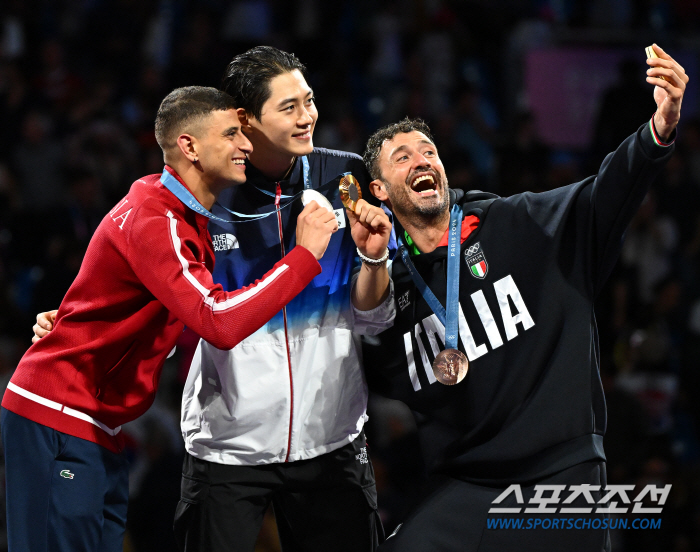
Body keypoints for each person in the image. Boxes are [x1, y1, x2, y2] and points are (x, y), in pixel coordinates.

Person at [33, 47, 395, 552]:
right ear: (245, 119)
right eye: (288, 107)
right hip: (226, 449)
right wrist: (77, 320)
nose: (308, 116)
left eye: (309, 101)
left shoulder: (347, 177)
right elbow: (148, 276)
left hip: (331, 440)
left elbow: (373, 319)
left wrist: (374, 261)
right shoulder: (205, 189)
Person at [360, 44, 687, 551]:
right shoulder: (385, 286)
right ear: (380, 190)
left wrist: (656, 132)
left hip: (560, 474)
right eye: (402, 157)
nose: (422, 160)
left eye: (429, 151)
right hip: (465, 489)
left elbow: (606, 195)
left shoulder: (520, 223)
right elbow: (362, 360)